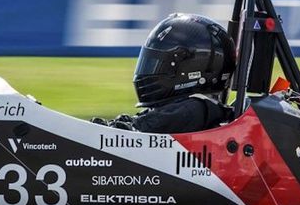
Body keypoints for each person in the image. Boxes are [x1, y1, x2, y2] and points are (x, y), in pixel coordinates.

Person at [94, 13, 237, 134]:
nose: (149, 71)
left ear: (192, 70)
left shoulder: (193, 109)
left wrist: (123, 127)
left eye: (160, 64)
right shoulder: (192, 107)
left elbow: (138, 131)